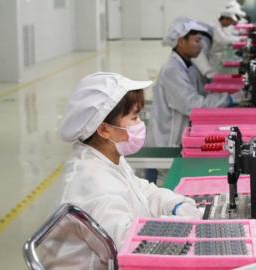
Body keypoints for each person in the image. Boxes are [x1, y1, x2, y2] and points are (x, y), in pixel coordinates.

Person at [53, 72, 202, 269]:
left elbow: (143, 191)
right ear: (104, 129)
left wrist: (175, 205)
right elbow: (129, 249)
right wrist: (178, 226)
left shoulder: (105, 157)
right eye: (134, 117)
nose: (140, 124)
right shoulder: (92, 184)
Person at [147, 17, 244, 148]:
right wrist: (229, 98)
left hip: (181, 132)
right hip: (167, 141)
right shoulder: (172, 70)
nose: (201, 45)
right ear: (181, 41)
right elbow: (193, 105)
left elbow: (203, 94)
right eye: (197, 41)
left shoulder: (189, 66)